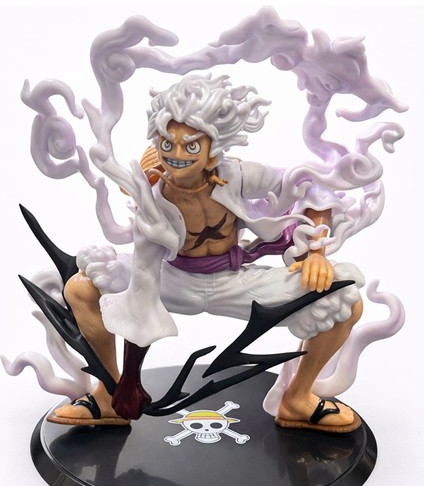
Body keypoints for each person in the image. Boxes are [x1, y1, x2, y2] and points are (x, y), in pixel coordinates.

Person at [48, 74, 364, 432]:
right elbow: (144, 283)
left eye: (191, 146)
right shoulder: (152, 199)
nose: (177, 155)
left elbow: (310, 182)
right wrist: (131, 380)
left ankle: (297, 398)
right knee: (81, 288)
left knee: (344, 297)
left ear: (214, 143)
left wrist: (316, 251)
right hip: (172, 279)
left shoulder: (238, 175)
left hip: (235, 280)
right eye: (167, 143)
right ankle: (108, 395)